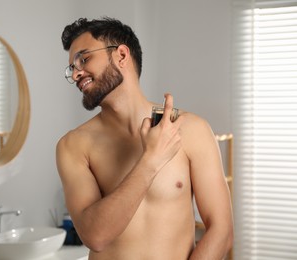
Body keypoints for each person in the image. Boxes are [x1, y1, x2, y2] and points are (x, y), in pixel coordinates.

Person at [56, 17, 233, 260]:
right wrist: (151, 160)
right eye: (72, 68)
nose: (76, 74)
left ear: (121, 55)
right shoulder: (73, 146)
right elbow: (95, 236)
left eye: (84, 59)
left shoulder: (192, 129)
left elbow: (221, 230)